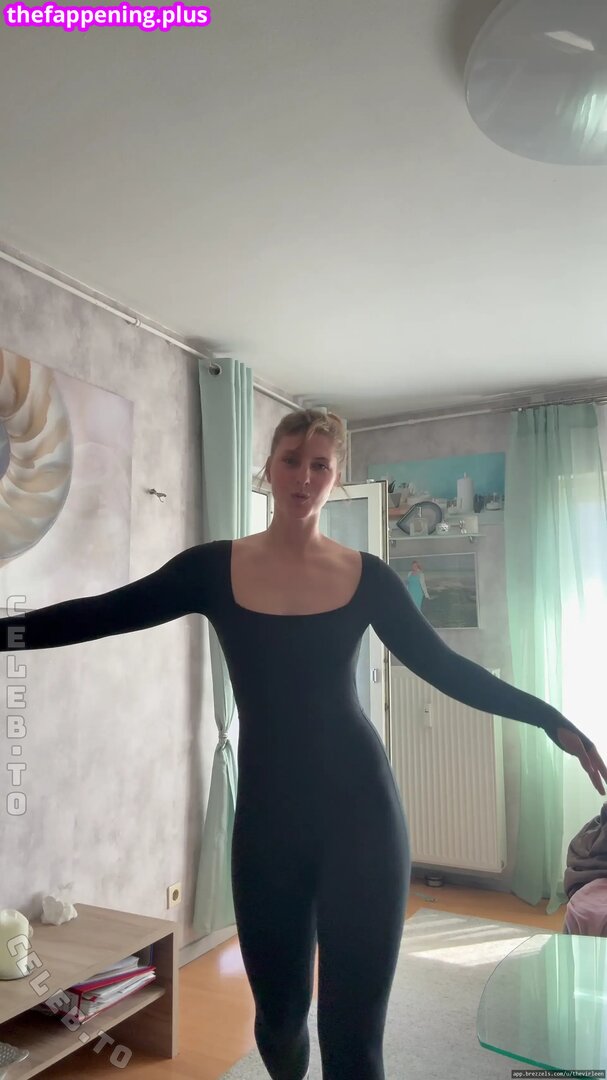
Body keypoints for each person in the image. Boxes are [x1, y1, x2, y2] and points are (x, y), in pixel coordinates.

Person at [1, 407, 605, 1080]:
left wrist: (551, 719)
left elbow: (446, 668)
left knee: (354, 1038)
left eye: (320, 465)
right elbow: (101, 613)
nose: (304, 476)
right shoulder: (213, 569)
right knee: (280, 1020)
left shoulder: (366, 576)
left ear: (335, 478)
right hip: (268, 824)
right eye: (292, 460)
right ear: (268, 468)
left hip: (363, 819)